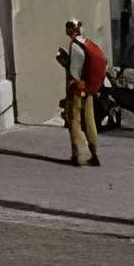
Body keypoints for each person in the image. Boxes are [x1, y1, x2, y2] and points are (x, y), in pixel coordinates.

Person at [58, 17, 103, 168]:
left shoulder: (75, 46)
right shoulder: (87, 43)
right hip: (89, 89)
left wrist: (65, 62)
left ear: (71, 29)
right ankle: (95, 154)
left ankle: (79, 155)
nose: (66, 31)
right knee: (90, 121)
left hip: (78, 90)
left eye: (67, 28)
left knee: (74, 120)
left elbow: (74, 72)